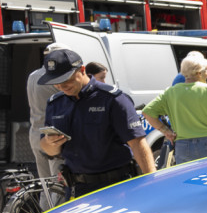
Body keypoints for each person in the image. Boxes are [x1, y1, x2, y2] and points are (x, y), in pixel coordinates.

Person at [39, 48, 156, 197]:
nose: (61, 86)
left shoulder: (113, 99)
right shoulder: (55, 104)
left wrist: (152, 183)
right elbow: (48, 149)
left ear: (82, 70)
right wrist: (50, 144)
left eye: (66, 80)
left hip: (116, 188)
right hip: (77, 189)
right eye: (56, 83)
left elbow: (138, 143)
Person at [142, 51, 207, 163]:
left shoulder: (171, 92)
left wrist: (165, 131)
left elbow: (147, 112)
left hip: (183, 145)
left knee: (189, 179)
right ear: (199, 72)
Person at [27, 42, 71, 182]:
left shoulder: (33, 75)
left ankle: (44, 205)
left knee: (45, 184)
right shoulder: (57, 77)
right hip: (52, 135)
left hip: (35, 132)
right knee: (58, 185)